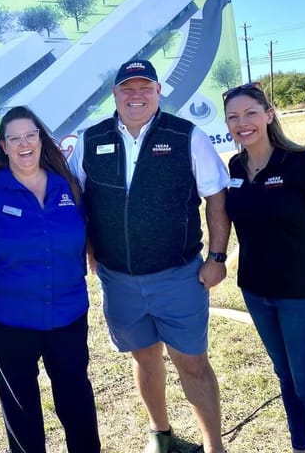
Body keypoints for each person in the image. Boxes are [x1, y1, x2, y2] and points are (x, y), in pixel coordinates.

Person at [69, 59, 231, 453]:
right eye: (127, 88)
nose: (136, 95)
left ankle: (215, 447)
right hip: (118, 279)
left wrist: (218, 257)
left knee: (192, 363)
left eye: (145, 87)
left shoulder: (186, 136)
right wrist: (88, 245)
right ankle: (161, 435)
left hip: (179, 276)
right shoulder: (91, 140)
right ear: (115, 94)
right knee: (144, 359)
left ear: (158, 91)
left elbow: (216, 199)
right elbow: (77, 199)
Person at [223, 82, 305, 453]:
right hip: (256, 290)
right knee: (285, 378)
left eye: (250, 113)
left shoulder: (300, 162)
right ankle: (299, 447)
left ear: (269, 114)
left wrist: (302, 248)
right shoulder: (236, 166)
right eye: (233, 116)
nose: (241, 122)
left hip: (302, 293)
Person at [0, 106, 101, 453]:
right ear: (4, 145)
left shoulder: (68, 185)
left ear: (41, 139)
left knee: (77, 402)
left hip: (68, 313)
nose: (24, 144)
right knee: (22, 411)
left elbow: (89, 228)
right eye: (15, 138)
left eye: (31, 135)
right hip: (7, 321)